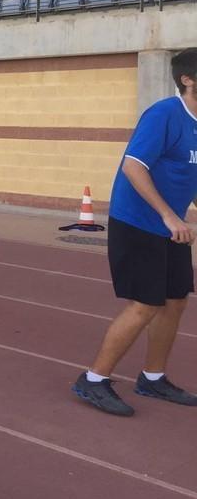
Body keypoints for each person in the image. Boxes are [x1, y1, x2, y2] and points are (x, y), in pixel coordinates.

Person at [72, 48, 197, 416]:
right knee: (145, 304)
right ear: (188, 80)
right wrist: (169, 216)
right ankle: (93, 380)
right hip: (138, 221)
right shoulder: (164, 114)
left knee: (176, 300)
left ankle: (153, 378)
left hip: (170, 224)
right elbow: (133, 166)